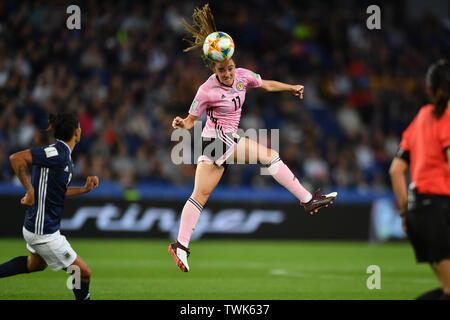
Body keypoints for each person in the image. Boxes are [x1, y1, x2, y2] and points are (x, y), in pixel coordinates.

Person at [168, 4, 337, 272]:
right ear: (214, 69)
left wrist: (291, 87)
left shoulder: (243, 76)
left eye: (230, 68)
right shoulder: (205, 91)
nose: (228, 74)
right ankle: (307, 199)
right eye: (222, 70)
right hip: (218, 139)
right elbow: (191, 120)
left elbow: (266, 83)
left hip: (217, 143)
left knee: (199, 195)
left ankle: (181, 245)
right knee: (269, 155)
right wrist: (182, 122)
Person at [0, 112, 99, 300]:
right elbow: (16, 159)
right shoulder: (57, 153)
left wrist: (83, 190)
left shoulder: (63, 156)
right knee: (82, 272)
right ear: (77, 132)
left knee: (34, 265)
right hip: (43, 232)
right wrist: (29, 190)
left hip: (37, 227)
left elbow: (56, 192)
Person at [389, 59, 450, 300]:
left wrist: (404, 213)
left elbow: (395, 170)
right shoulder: (446, 117)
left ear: (429, 88)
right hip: (439, 211)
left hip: (418, 213)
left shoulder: (423, 116)